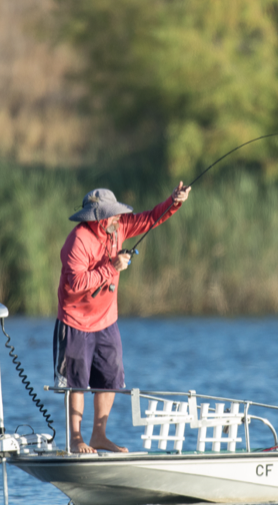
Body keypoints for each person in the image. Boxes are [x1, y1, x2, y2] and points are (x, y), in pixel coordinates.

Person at [53, 182, 192, 453]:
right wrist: (111, 268)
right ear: (96, 218)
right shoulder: (78, 240)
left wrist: (175, 201)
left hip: (106, 319)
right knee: (77, 382)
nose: (118, 218)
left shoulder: (120, 228)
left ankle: (99, 436)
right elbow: (75, 283)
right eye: (111, 214)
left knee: (109, 376)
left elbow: (152, 218)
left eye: (117, 213)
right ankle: (76, 439)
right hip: (75, 321)